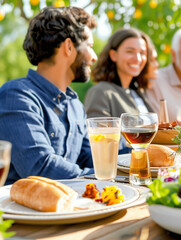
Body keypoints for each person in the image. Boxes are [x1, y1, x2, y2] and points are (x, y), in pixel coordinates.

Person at [0, 7, 97, 184]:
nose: (94, 57)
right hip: (20, 210)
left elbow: (88, 158)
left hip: (69, 208)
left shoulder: (75, 105)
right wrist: (101, 178)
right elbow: (40, 168)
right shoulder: (17, 96)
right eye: (90, 47)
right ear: (68, 47)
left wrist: (134, 158)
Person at [84, 28, 157, 153]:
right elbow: (100, 142)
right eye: (130, 51)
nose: (138, 59)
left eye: (142, 53)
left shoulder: (138, 91)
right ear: (114, 55)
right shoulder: (101, 92)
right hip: (121, 169)